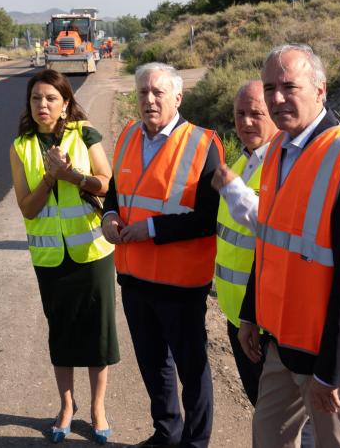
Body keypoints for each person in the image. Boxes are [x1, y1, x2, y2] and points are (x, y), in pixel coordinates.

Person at [234, 44, 340, 448]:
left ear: (320, 89)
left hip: (332, 357)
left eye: (289, 86)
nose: (277, 98)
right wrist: (251, 313)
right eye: (269, 88)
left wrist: (331, 370)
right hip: (284, 344)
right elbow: (268, 245)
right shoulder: (277, 152)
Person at [101, 62, 223, 448]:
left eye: (157, 92)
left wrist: (151, 229)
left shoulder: (204, 144)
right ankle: (166, 432)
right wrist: (108, 216)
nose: (149, 100)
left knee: (191, 369)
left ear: (178, 97)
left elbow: (208, 218)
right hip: (134, 277)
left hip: (180, 283)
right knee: (153, 365)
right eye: (142, 93)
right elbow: (116, 193)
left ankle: (195, 442)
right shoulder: (128, 136)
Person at [8, 69, 119, 444]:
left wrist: (72, 175)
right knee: (63, 334)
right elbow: (28, 208)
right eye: (36, 98)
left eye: (51, 98)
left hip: (92, 252)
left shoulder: (84, 133)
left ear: (66, 103)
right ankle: (66, 406)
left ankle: (98, 407)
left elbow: (106, 183)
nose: (43, 105)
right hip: (51, 260)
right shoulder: (20, 146)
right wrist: (50, 178)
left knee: (98, 334)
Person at [211, 81, 315, 448]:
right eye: (240, 114)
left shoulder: (283, 164)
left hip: (268, 321)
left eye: (257, 113)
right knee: (264, 415)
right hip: (239, 316)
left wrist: (234, 190)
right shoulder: (242, 161)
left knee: (285, 423)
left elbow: (276, 227)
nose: (247, 122)